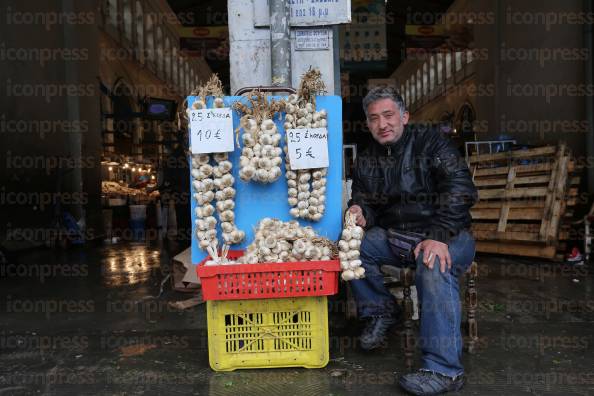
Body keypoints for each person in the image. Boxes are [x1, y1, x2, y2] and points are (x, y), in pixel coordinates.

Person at [347, 87, 477, 395]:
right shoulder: (367, 160)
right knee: (354, 247)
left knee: (432, 263)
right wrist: (361, 211)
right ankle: (381, 310)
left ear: (404, 116)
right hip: (399, 237)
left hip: (448, 233)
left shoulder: (431, 143)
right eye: (374, 118)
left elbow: (461, 189)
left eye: (389, 115)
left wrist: (438, 236)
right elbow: (365, 200)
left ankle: (444, 371)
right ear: (368, 124)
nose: (383, 124)